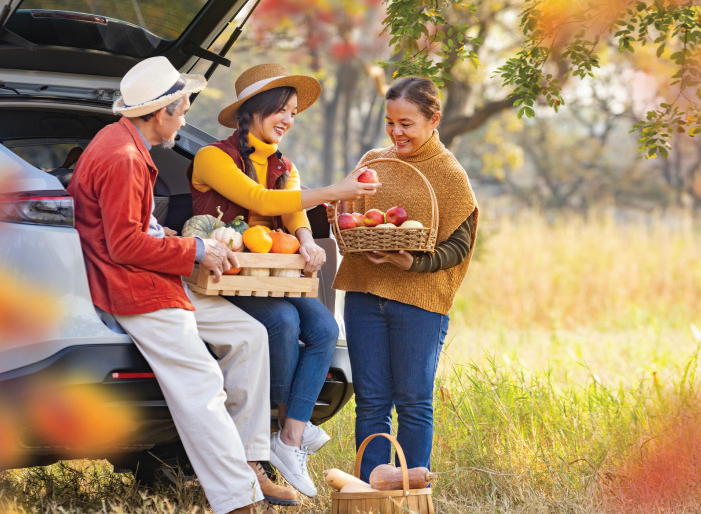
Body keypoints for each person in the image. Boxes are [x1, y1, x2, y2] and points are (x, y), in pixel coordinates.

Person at [67, 56, 297, 514]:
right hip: (135, 289)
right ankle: (239, 502)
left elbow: (134, 227)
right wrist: (196, 251)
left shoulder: (124, 143)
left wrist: (169, 236)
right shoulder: (124, 157)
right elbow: (124, 245)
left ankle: (250, 463)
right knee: (202, 381)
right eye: (184, 108)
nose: (186, 117)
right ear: (161, 112)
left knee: (250, 337)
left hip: (158, 277)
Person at [188, 63, 379, 497]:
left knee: (325, 328)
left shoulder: (284, 164)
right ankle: (287, 424)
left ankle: (289, 435)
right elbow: (258, 199)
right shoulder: (212, 157)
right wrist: (335, 192)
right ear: (254, 109)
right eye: (282, 110)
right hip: (230, 275)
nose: (289, 120)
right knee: (282, 322)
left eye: (294, 113)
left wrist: (308, 240)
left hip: (272, 273)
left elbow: (292, 211)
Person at [331, 76, 479, 481]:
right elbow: (349, 220)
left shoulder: (449, 174)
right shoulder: (373, 162)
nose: (396, 132)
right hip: (365, 295)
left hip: (419, 301)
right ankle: (371, 490)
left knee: (413, 401)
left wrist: (410, 264)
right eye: (390, 122)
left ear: (434, 120)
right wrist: (339, 217)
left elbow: (459, 247)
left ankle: (413, 491)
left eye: (406, 123)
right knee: (371, 402)